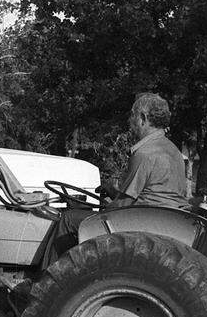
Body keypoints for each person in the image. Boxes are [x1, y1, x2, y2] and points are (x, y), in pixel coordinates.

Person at [45, 92, 189, 259]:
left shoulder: (145, 153)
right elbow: (147, 193)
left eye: (133, 115)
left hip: (142, 222)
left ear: (143, 118)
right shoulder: (173, 151)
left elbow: (123, 205)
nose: (130, 121)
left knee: (68, 219)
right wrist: (112, 192)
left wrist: (100, 209)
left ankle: (51, 273)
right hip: (165, 220)